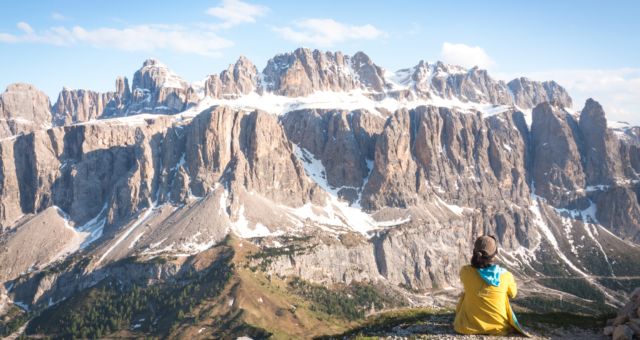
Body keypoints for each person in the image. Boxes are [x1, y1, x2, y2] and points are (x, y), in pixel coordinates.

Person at [453, 235, 527, 336]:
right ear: (495, 254)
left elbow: (467, 280)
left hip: (465, 328)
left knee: (466, 293)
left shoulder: (465, 271)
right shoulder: (506, 275)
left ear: (475, 252)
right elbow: (513, 294)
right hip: (498, 329)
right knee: (504, 294)